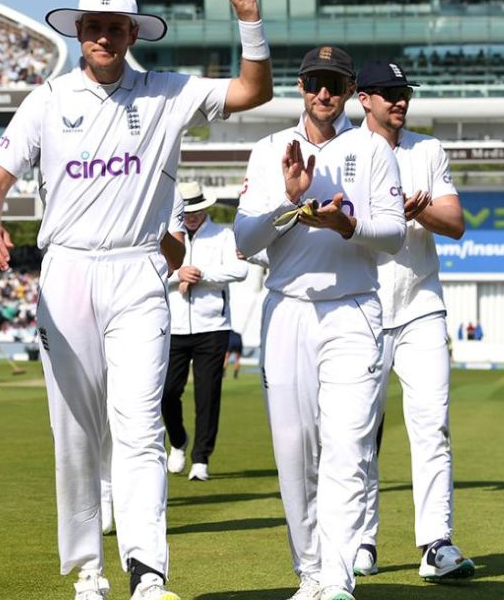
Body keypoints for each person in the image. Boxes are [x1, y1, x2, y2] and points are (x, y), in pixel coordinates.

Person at [0, 0, 273, 600]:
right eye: (95, 27)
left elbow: (254, 91)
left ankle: (148, 571)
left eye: (117, 28)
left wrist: (248, 14)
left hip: (139, 271)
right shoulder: (48, 100)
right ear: (79, 31)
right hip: (67, 271)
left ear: (133, 33)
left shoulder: (168, 92)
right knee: (75, 429)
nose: (105, 38)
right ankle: (89, 569)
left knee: (138, 425)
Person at [234, 45, 405, 600]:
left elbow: (395, 234)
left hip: (353, 307)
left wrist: (345, 226)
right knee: (293, 451)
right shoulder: (267, 151)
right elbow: (243, 240)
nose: (323, 93)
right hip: (286, 310)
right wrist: (290, 201)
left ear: (352, 90)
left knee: (349, 445)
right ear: (300, 87)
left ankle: (337, 577)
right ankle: (309, 573)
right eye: (314, 83)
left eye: (334, 83)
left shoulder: (372, 150)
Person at [351, 60, 475, 582]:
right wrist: (380, 218)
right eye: (387, 93)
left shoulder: (428, 150)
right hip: (361, 305)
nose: (399, 101)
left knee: (433, 427)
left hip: (422, 304)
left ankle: (436, 546)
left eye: (403, 92)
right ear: (364, 99)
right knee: (356, 432)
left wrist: (417, 211)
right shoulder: (343, 151)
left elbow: (456, 224)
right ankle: (359, 542)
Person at [162, 181, 248, 482]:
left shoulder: (223, 235)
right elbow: (151, 270)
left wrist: (200, 274)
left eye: (196, 210)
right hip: (173, 327)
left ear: (205, 208)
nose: (191, 216)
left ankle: (201, 458)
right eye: (186, 211)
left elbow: (240, 271)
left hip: (213, 326)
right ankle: (179, 440)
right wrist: (177, 275)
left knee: (207, 395)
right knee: (167, 392)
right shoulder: (166, 236)